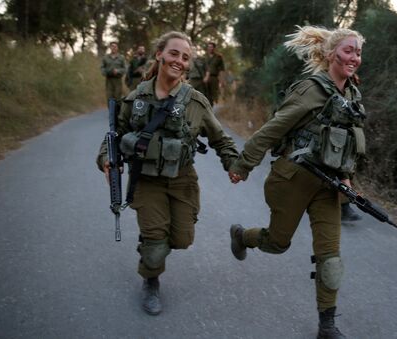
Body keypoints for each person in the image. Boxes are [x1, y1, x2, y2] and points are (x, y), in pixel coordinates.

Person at [227, 26, 366, 339]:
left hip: (327, 187)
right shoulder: (310, 90)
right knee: (277, 243)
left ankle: (326, 326)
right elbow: (274, 128)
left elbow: (344, 146)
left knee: (330, 260)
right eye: (347, 50)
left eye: (357, 52)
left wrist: (346, 179)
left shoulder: (352, 95)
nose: (354, 57)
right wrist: (243, 163)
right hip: (293, 178)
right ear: (331, 54)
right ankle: (243, 236)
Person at [96, 31, 239, 316]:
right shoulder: (137, 97)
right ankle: (151, 278)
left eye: (186, 57)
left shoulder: (196, 101)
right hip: (146, 181)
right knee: (156, 243)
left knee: (182, 239)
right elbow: (115, 133)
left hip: (182, 179)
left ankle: (153, 245)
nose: (179, 61)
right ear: (160, 54)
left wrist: (233, 164)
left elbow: (221, 139)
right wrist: (106, 159)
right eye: (174, 53)